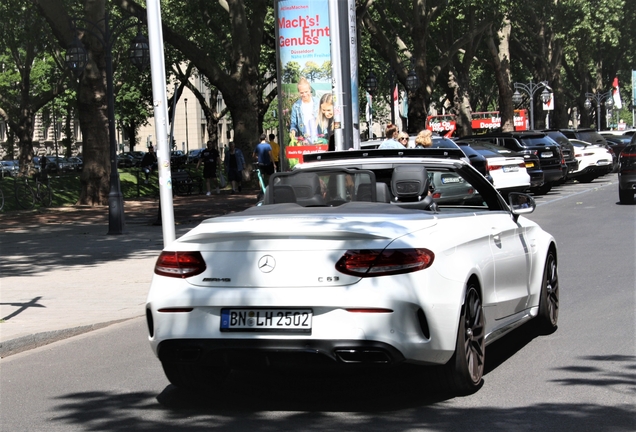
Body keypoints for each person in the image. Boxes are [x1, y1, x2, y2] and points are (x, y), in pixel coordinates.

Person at [289, 77, 319, 143]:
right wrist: (293, 131)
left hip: (318, 136)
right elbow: (293, 123)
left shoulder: (318, 102)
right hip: (304, 138)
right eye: (302, 93)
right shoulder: (296, 106)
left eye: (306, 92)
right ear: (299, 92)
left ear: (310, 89)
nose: (304, 94)